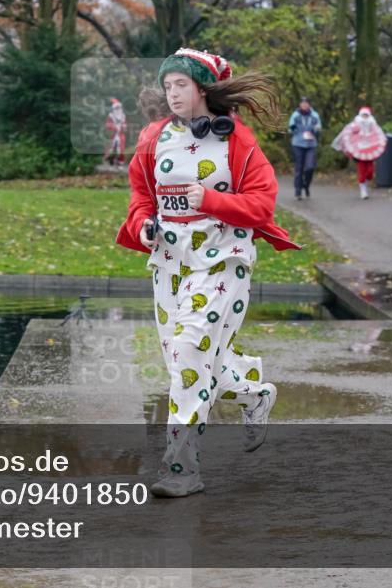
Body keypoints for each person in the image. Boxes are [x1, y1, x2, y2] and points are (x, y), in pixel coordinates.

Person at [116, 47, 301, 498]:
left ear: (203, 88)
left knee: (188, 351)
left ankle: (181, 470)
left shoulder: (237, 141)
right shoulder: (153, 139)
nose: (172, 93)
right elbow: (141, 198)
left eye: (181, 84)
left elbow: (262, 204)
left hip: (223, 261)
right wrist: (144, 226)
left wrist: (212, 200)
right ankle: (252, 394)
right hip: (169, 264)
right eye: (167, 86)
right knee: (186, 363)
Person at [331, 106, 387, 199]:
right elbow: (347, 134)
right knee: (362, 171)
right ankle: (363, 190)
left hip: (370, 152)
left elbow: (379, 136)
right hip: (359, 153)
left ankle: (367, 180)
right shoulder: (354, 126)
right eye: (363, 115)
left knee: (370, 171)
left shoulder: (373, 127)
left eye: (366, 115)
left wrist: (381, 144)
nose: (365, 118)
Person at [287, 96, 321, 199]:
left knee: (310, 167)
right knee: (299, 168)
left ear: (309, 104)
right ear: (300, 105)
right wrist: (298, 132)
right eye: (303, 103)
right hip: (298, 144)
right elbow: (290, 129)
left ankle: (306, 185)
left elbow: (318, 128)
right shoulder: (295, 115)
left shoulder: (314, 115)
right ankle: (298, 192)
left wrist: (315, 130)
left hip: (311, 144)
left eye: (306, 103)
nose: (304, 105)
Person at [103, 98, 128, 167]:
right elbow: (107, 125)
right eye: (116, 108)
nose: (118, 109)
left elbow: (125, 124)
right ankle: (111, 162)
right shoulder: (111, 116)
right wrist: (114, 127)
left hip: (120, 135)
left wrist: (123, 127)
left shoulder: (123, 116)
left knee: (121, 149)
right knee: (111, 149)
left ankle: (120, 162)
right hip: (112, 135)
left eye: (119, 108)